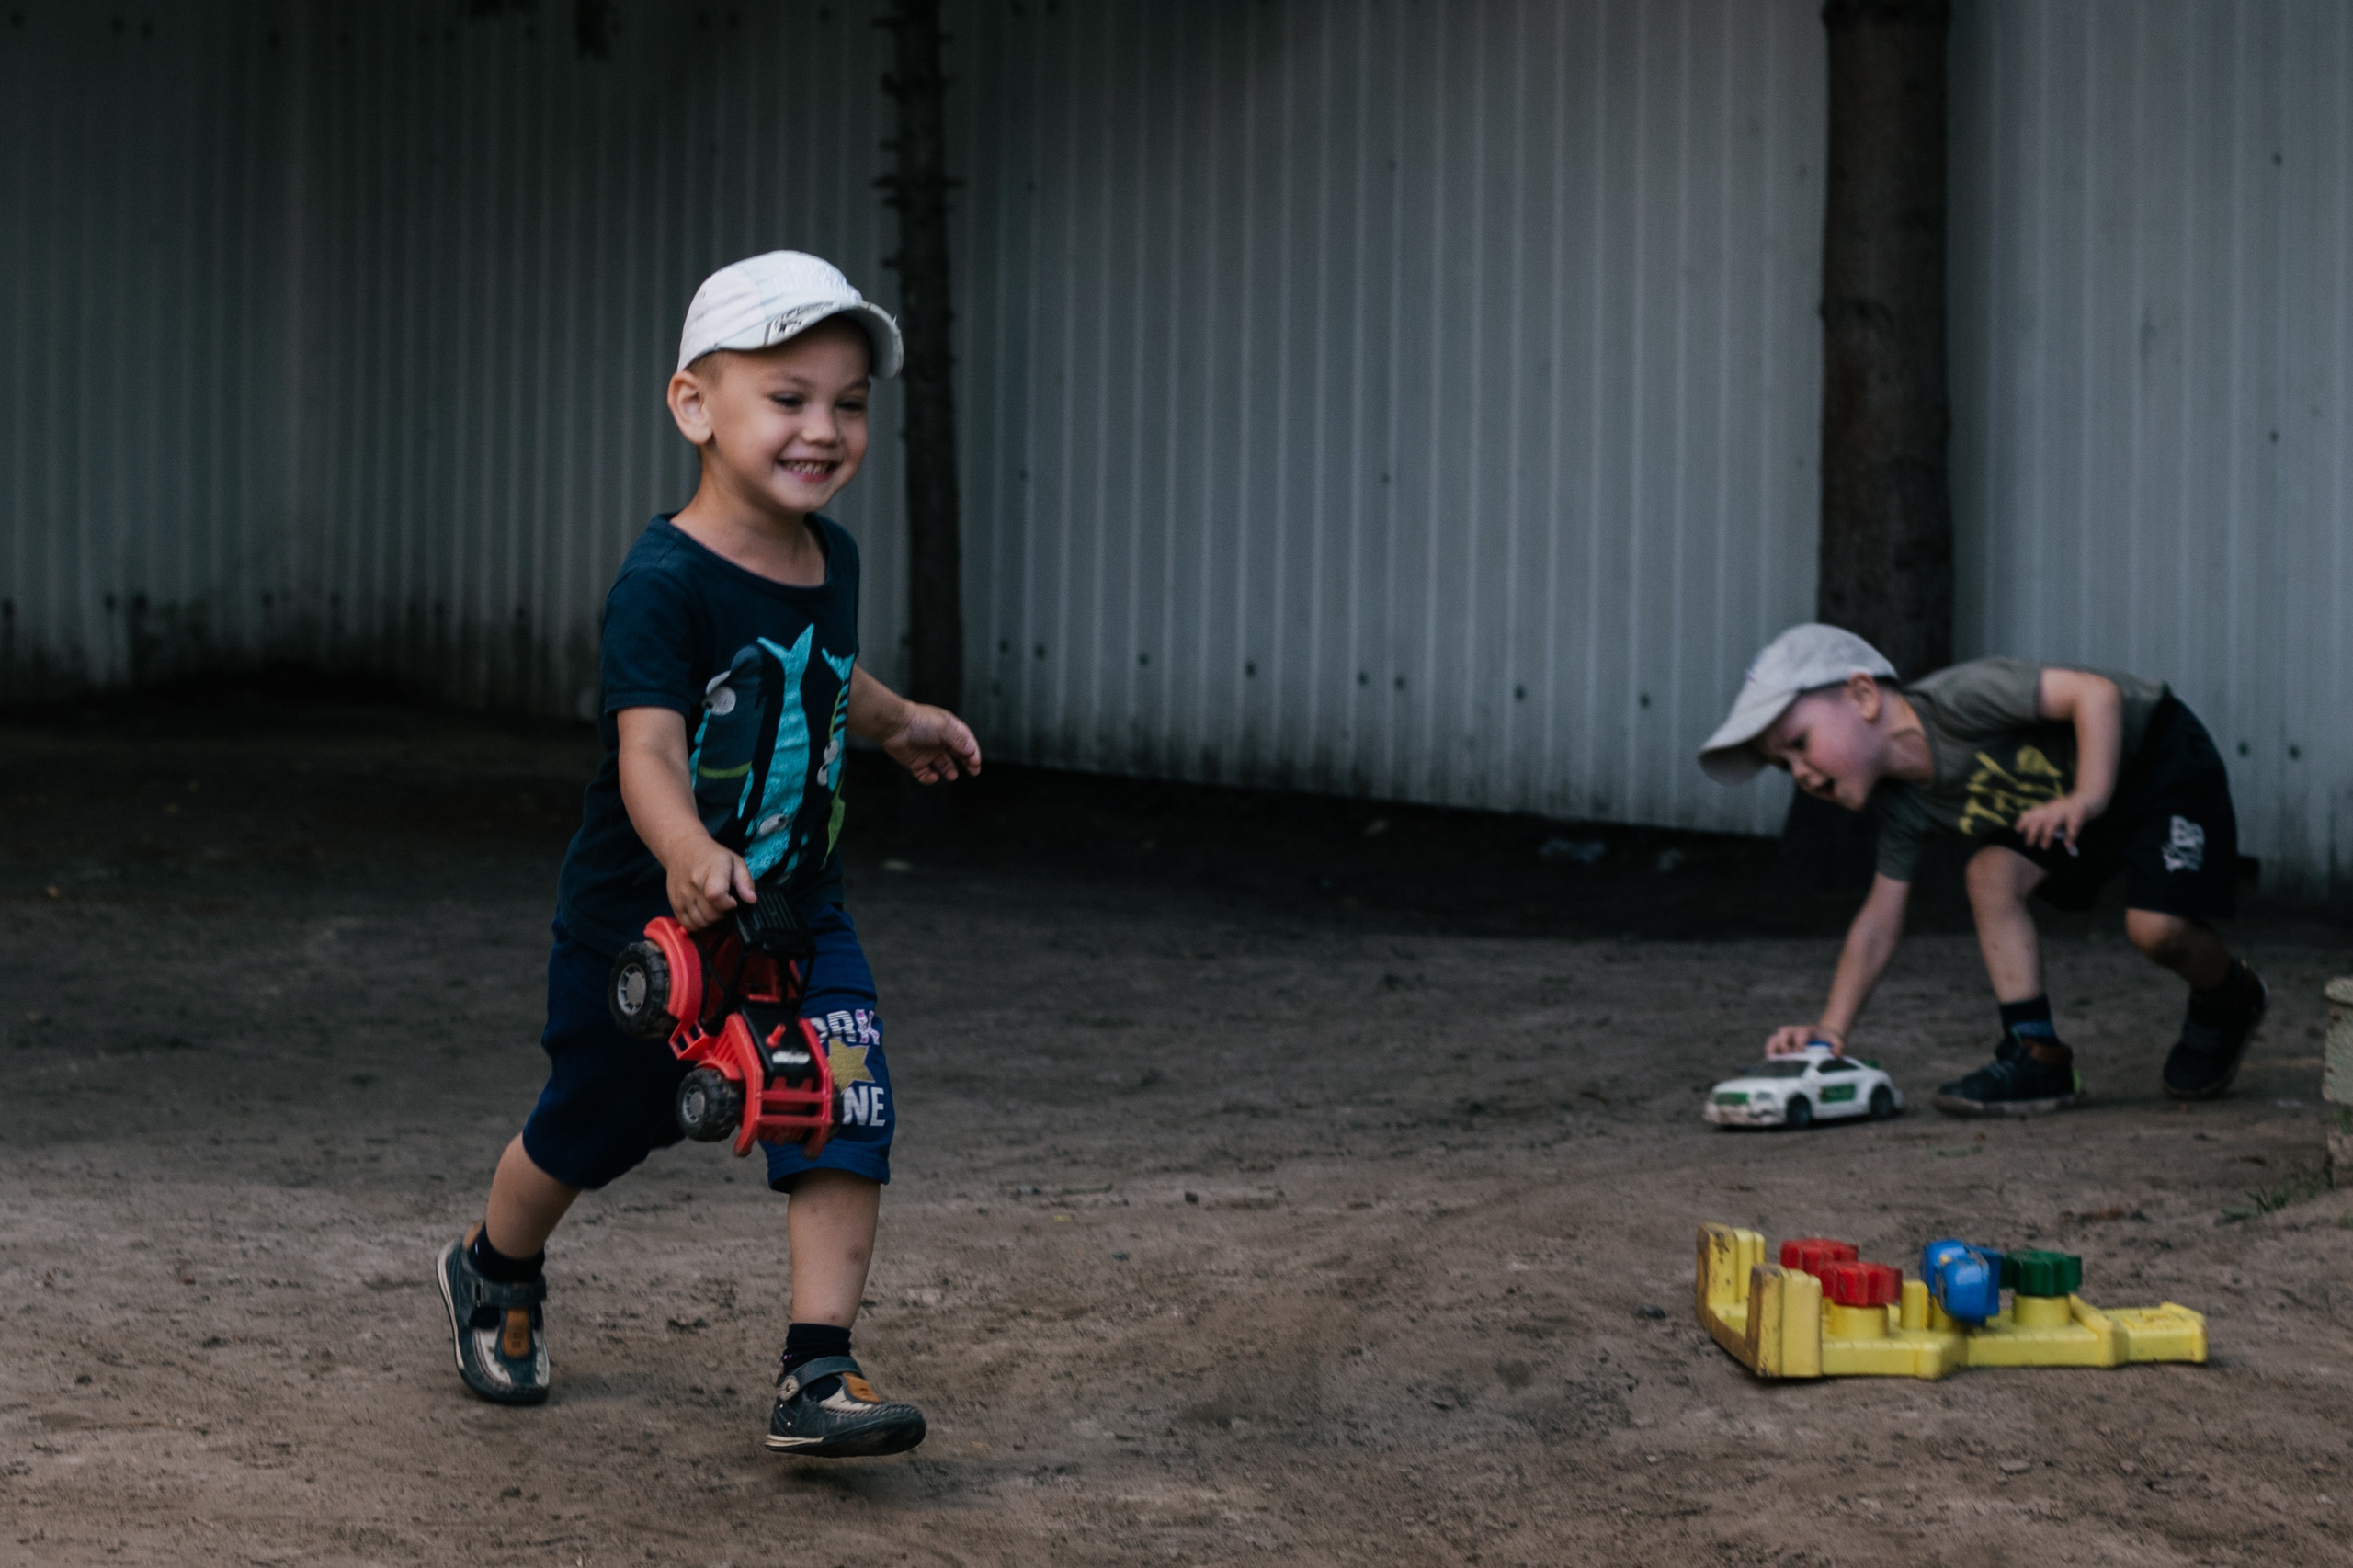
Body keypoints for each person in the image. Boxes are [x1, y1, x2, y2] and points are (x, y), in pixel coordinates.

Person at [435, 251, 979, 1458]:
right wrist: (683, 850)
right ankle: (495, 1263)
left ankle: (816, 1374)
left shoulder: (830, 558)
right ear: (697, 404)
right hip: (651, 921)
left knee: (844, 1099)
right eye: (788, 397)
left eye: (848, 403)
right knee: (595, 1123)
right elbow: (648, 752)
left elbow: (825, 678)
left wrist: (900, 725)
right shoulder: (662, 586)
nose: (823, 428)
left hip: (798, 909)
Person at [1697, 624, 2267, 1117]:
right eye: (1782, 764)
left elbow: (2096, 695)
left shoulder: (1961, 700)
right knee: (1990, 873)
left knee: (2156, 931)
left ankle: (2230, 996)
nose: (1798, 772)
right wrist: (1830, 1034)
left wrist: (2088, 798)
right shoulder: (1902, 807)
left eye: (1799, 743)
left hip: (2152, 758)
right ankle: (2036, 1054)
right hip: (2069, 804)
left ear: (1863, 694)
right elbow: (1878, 922)